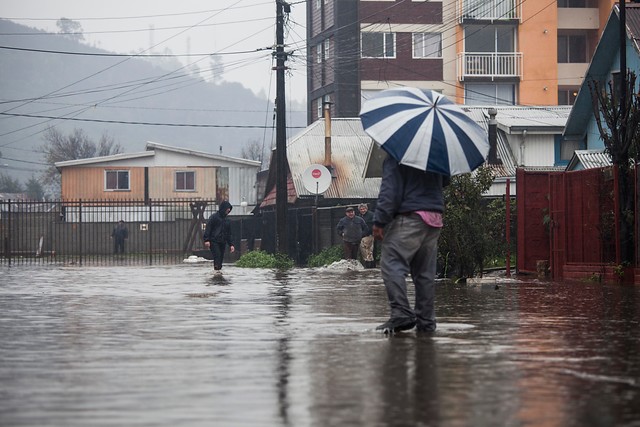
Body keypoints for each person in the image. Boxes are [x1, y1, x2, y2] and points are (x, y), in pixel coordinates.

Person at [372, 156, 449, 334]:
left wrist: (379, 221)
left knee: (392, 262)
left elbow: (390, 190)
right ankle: (427, 324)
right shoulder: (437, 155)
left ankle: (401, 312)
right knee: (424, 274)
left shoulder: (396, 155)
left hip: (410, 216)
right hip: (434, 218)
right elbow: (445, 180)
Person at [203, 200, 235, 271]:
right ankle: (217, 270)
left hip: (222, 242)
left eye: (229, 209)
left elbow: (229, 234)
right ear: (223, 208)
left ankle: (218, 271)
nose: (229, 210)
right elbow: (208, 228)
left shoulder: (227, 220)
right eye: (227, 208)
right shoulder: (214, 217)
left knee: (220, 257)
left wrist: (231, 244)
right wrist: (207, 240)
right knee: (217, 255)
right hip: (214, 241)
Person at [357, 203, 375, 268]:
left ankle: (369, 266)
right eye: (361, 209)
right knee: (366, 251)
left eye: (364, 209)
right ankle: (369, 266)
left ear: (366, 208)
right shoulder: (359, 216)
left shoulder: (371, 215)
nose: (362, 210)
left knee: (367, 251)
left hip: (368, 235)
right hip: (362, 235)